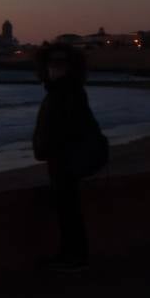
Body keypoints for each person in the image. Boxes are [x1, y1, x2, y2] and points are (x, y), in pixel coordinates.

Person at [32, 43, 107, 272]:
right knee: (67, 209)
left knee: (68, 210)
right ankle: (71, 254)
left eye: (61, 63)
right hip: (60, 158)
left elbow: (70, 126)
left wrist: (54, 147)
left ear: (71, 66)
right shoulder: (59, 90)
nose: (56, 67)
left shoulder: (68, 92)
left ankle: (74, 257)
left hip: (65, 159)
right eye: (52, 62)